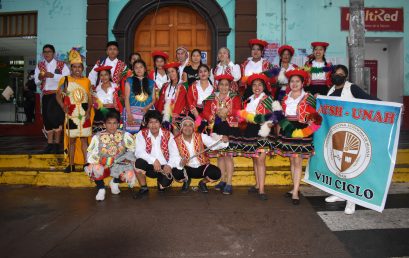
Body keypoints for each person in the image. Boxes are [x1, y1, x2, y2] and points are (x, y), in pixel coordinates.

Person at [324, 64, 379, 214]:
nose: (338, 76)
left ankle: (351, 200)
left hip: (350, 134)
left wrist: (392, 106)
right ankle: (340, 193)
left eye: (341, 74)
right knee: (337, 165)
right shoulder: (330, 90)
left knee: (350, 167)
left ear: (346, 76)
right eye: (336, 73)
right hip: (335, 133)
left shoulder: (351, 88)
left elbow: (369, 99)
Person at [275, 69, 322, 205]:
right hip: (288, 130)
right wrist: (279, 132)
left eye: (297, 81)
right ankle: (294, 187)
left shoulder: (309, 97)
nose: (294, 84)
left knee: (298, 161)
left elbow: (317, 118)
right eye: (292, 81)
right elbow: (280, 116)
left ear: (302, 83)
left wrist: (308, 131)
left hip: (302, 131)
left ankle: (296, 191)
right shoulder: (285, 98)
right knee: (292, 160)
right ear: (289, 83)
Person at [238, 73, 278, 200]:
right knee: (255, 159)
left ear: (264, 86)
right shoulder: (248, 100)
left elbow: (276, 115)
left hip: (263, 130)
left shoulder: (268, 99)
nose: (257, 87)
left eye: (259, 85)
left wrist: (271, 122)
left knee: (260, 160)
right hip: (251, 130)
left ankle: (261, 190)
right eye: (254, 85)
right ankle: (257, 185)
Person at [201, 74, 242, 194]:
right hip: (216, 128)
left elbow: (239, 112)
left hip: (230, 128)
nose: (224, 87)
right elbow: (205, 112)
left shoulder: (234, 97)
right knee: (220, 155)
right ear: (218, 85)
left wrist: (227, 111)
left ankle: (229, 183)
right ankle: (222, 180)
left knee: (228, 156)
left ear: (230, 86)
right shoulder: (212, 97)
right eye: (221, 84)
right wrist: (213, 116)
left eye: (226, 85)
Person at [56, 48, 93, 173]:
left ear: (82, 68)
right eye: (74, 67)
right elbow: (58, 95)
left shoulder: (87, 81)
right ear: (71, 68)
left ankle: (86, 163)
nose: (77, 69)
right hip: (71, 113)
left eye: (79, 67)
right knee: (71, 141)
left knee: (84, 140)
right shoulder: (65, 80)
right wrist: (63, 107)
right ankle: (71, 165)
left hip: (83, 114)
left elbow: (90, 98)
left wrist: (88, 111)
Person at [85, 111, 136, 201]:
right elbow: (90, 153)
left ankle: (115, 182)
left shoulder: (125, 135)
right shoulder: (97, 137)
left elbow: (133, 148)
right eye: (109, 123)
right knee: (93, 167)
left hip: (119, 163)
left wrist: (127, 158)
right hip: (103, 164)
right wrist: (98, 160)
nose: (112, 126)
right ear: (104, 124)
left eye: (114, 123)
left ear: (118, 124)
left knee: (130, 173)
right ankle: (101, 189)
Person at [133, 110, 183, 198]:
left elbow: (174, 153)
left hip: (164, 167)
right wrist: (154, 160)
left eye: (156, 122)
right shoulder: (141, 134)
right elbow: (139, 152)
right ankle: (144, 188)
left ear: (160, 123)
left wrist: (169, 166)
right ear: (147, 124)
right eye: (151, 122)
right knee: (138, 163)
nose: (153, 125)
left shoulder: (168, 134)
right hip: (149, 166)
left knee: (165, 183)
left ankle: (161, 184)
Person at [173, 116, 229, 193]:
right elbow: (174, 156)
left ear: (193, 127)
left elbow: (213, 145)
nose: (188, 128)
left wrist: (223, 141)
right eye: (185, 125)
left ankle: (202, 183)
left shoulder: (201, 136)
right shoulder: (175, 141)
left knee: (216, 173)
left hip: (202, 166)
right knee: (176, 172)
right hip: (186, 168)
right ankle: (186, 181)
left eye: (190, 125)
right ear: (181, 128)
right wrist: (180, 162)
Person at [34, 44, 70, 154]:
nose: (47, 54)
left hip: (57, 95)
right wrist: (40, 78)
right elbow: (36, 81)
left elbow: (67, 78)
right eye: (45, 52)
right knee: (47, 120)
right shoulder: (40, 66)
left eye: (49, 52)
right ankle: (50, 144)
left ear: (53, 53)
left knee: (57, 120)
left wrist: (52, 75)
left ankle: (56, 145)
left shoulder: (61, 64)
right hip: (45, 96)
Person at [155, 62, 188, 134]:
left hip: (178, 115)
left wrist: (174, 116)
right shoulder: (166, 86)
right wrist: (158, 116)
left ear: (177, 72)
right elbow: (161, 101)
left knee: (176, 134)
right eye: (169, 72)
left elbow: (181, 102)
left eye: (173, 71)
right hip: (165, 115)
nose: (171, 74)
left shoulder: (183, 86)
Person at [124, 59, 156, 134]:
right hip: (132, 112)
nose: (139, 69)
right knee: (132, 136)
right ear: (133, 70)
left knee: (147, 134)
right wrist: (129, 115)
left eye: (141, 67)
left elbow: (154, 99)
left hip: (147, 111)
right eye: (136, 67)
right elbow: (126, 98)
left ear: (145, 69)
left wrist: (147, 107)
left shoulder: (151, 82)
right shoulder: (129, 81)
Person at [91, 65, 121, 133]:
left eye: (106, 75)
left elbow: (120, 101)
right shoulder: (96, 89)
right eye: (101, 75)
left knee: (115, 137)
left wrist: (115, 104)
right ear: (99, 77)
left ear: (110, 75)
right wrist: (103, 105)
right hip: (101, 114)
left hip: (114, 114)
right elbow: (95, 105)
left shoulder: (115, 86)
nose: (104, 77)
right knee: (101, 137)